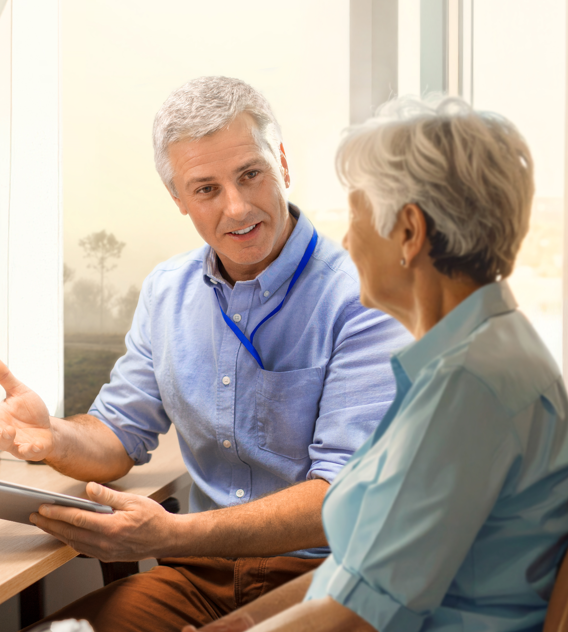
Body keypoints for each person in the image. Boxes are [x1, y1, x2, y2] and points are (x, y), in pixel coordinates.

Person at [0, 76, 411, 632]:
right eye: (206, 189)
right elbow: (118, 436)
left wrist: (171, 535)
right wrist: (53, 436)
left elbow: (341, 497)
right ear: (178, 200)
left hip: (321, 579)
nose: (236, 207)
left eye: (250, 174)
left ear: (282, 164)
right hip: (197, 576)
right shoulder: (166, 291)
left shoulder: (364, 295)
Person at [192, 96, 568, 632]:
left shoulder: (468, 386)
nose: (346, 240)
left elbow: (357, 614)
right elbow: (354, 573)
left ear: (409, 232)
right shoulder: (479, 354)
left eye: (356, 215)